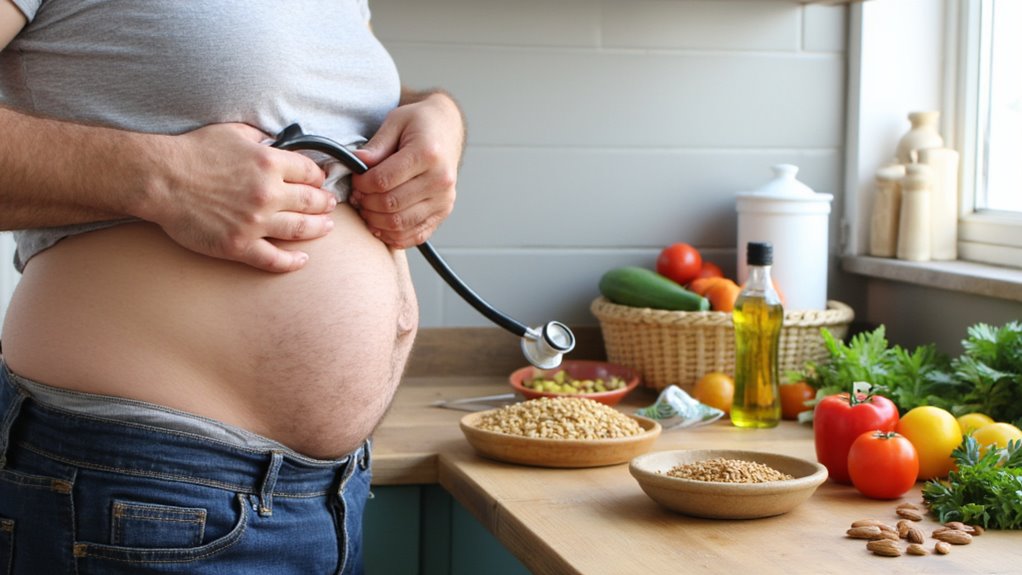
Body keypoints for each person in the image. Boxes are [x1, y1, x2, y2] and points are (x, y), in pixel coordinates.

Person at [0, 1, 464, 573]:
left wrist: (438, 115)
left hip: (330, 495)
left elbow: (307, 86)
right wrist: (161, 178)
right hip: (143, 489)